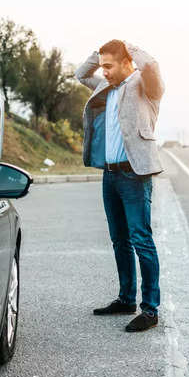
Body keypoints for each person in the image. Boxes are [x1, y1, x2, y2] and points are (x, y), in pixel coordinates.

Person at [75, 40, 165, 332]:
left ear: (127, 62)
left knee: (141, 239)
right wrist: (99, 53)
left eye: (109, 66)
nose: (104, 72)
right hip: (110, 175)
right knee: (119, 240)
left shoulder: (144, 84)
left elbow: (150, 65)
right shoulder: (105, 87)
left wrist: (129, 46)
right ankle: (126, 298)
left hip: (135, 175)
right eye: (102, 67)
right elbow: (80, 74)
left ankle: (150, 310)